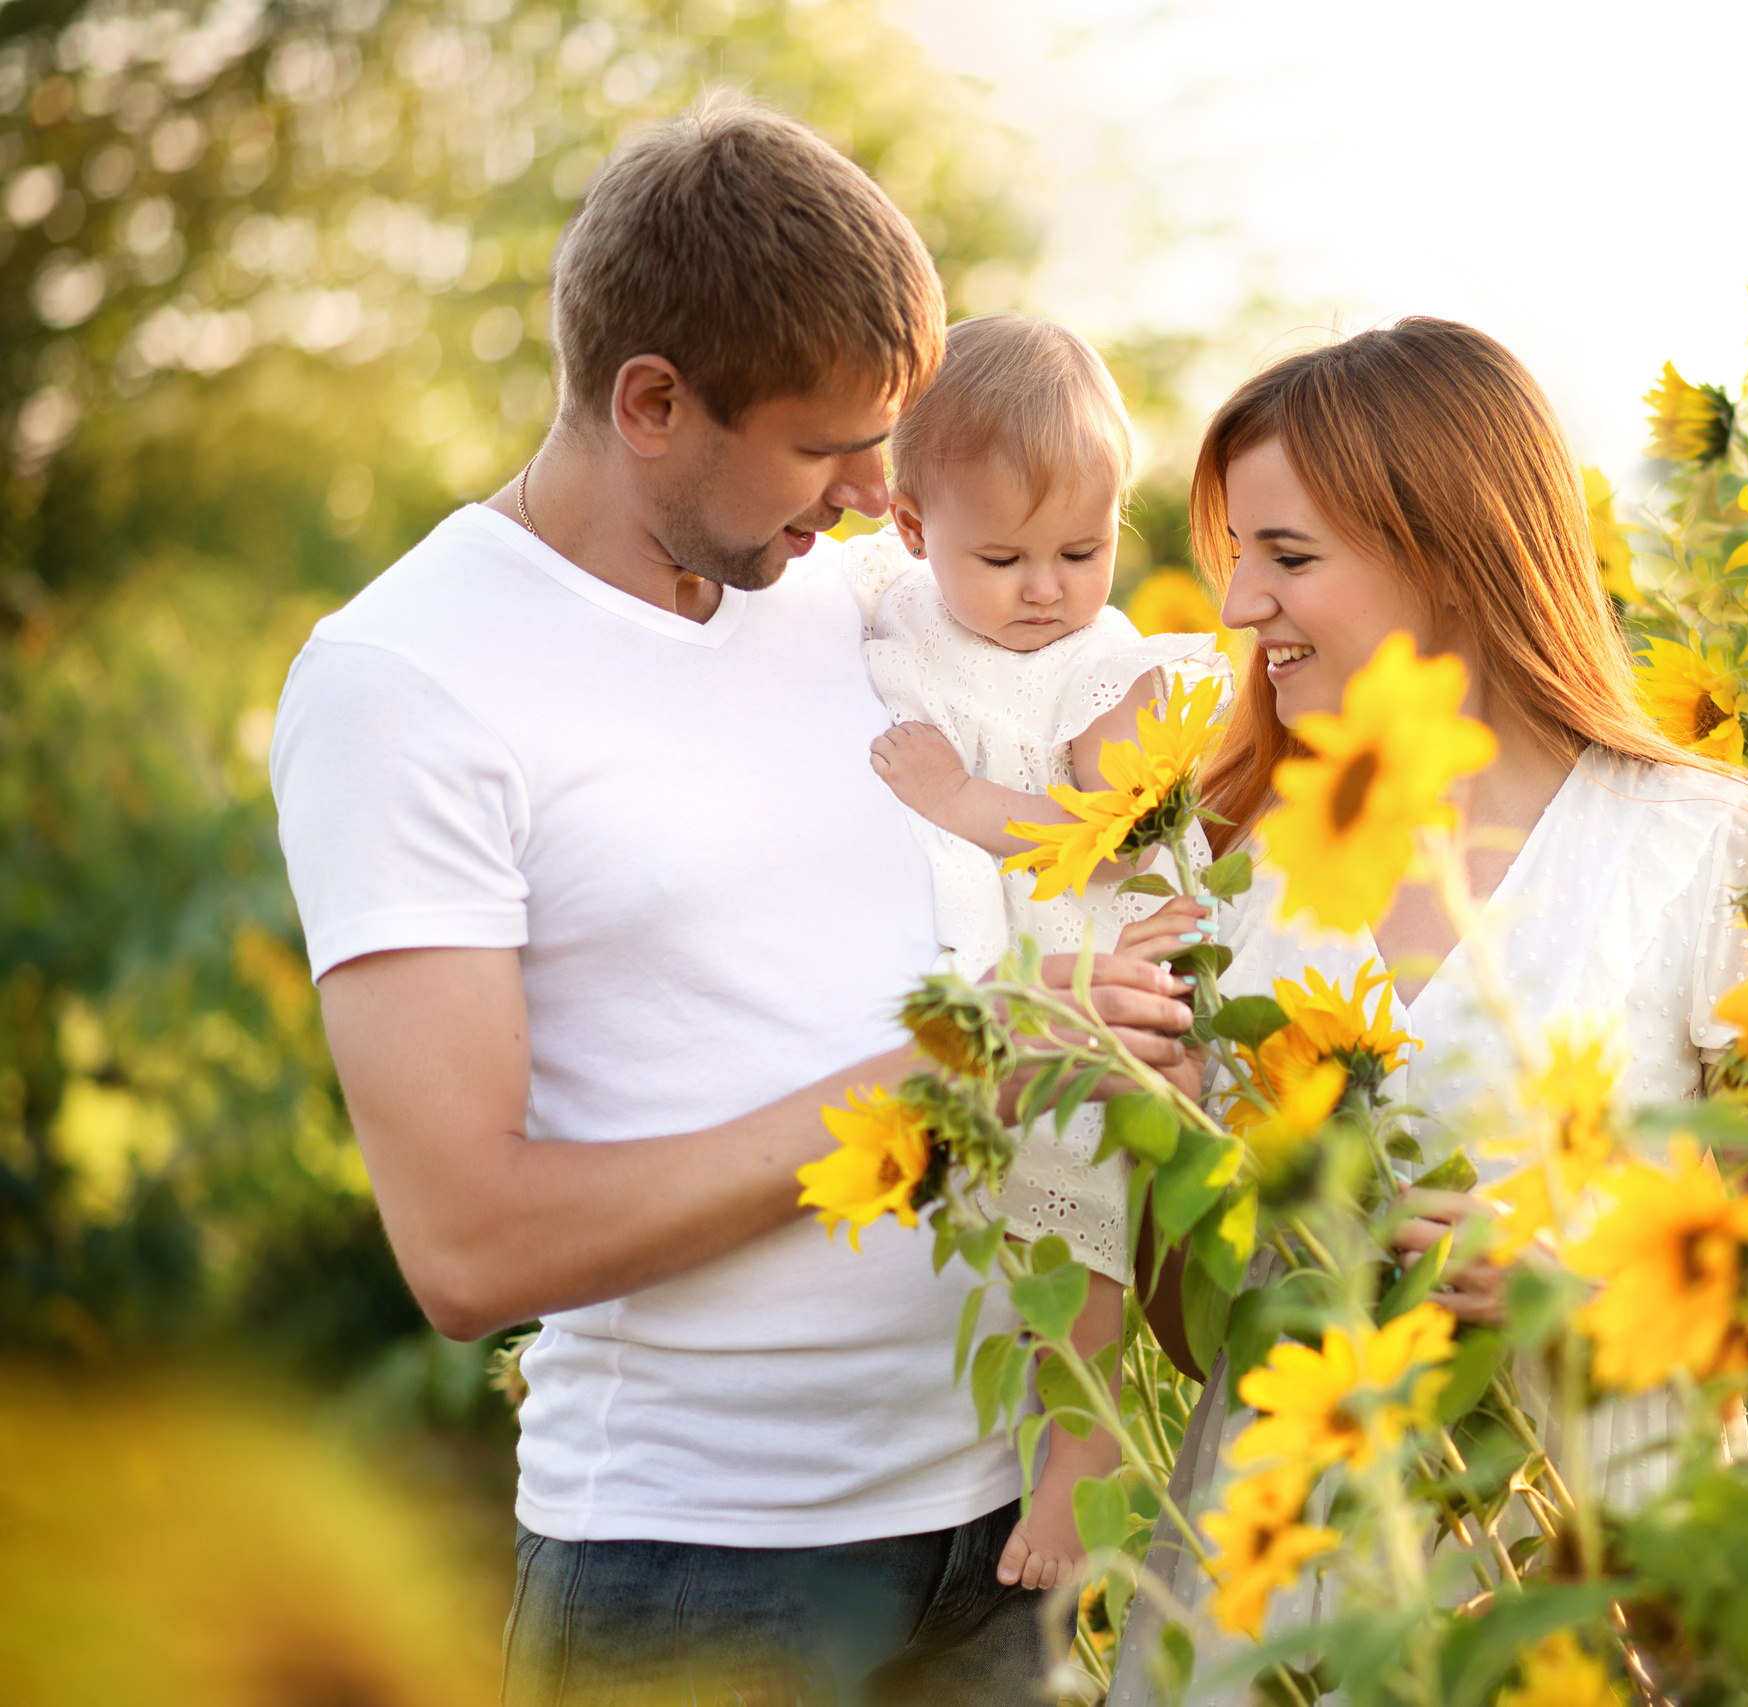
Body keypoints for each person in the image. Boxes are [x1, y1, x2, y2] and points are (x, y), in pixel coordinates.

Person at [268, 93, 1193, 1705]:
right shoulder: (408, 680)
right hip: (703, 1572)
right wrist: (975, 1056)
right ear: (650, 401)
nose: (865, 496)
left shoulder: (858, 604)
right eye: (829, 447)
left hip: (997, 1535)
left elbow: (1100, 735)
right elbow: (469, 1244)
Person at [1107, 318, 1748, 1704]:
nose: (1236, 606)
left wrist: (1555, 1306)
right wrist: (1139, 1097)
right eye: (1237, 556)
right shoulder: (1244, 871)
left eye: (1287, 557)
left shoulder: (1698, 848)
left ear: (1449, 555)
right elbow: (1201, 1329)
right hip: (1273, 1610)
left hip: (1578, 1588)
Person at [859, 312, 1225, 1594]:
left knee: (1078, 1235)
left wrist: (964, 802)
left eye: (1084, 547)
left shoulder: (1100, 660)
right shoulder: (893, 613)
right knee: (982, 1240)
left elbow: (1106, 828)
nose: (1046, 589)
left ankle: (1081, 1469)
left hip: (1090, 987)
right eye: (1003, 556)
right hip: (975, 1001)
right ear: (911, 530)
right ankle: (990, 1434)